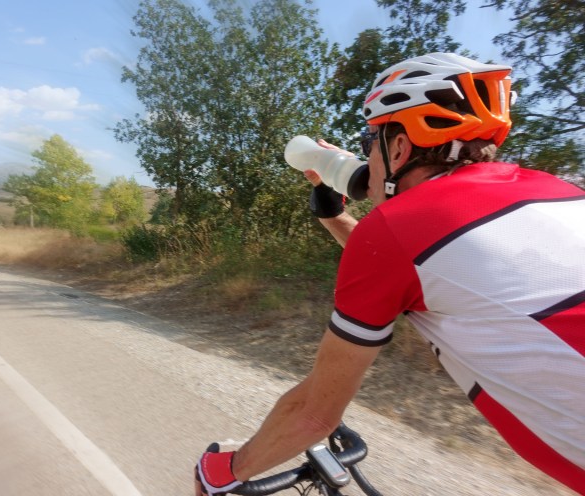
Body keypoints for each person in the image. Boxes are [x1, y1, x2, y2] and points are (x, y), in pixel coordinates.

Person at [195, 52, 585, 495]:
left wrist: (220, 473)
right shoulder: (560, 190)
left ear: (398, 147)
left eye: (369, 145)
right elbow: (419, 269)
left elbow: (313, 416)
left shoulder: (398, 228)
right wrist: (331, 213)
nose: (365, 159)